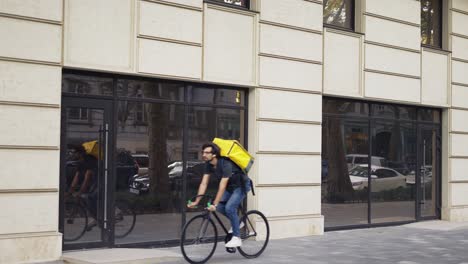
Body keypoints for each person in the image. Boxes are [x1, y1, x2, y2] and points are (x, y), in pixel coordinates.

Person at [188, 143, 251, 248]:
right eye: (203, 152)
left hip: (241, 186)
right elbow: (204, 183)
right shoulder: (208, 165)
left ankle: (237, 238)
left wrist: (215, 204)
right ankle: (238, 222)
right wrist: (197, 201)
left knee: (229, 207)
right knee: (221, 207)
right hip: (230, 187)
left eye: (207, 152)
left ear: (214, 155)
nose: (203, 154)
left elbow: (222, 186)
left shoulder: (225, 164)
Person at [66, 144, 99, 229]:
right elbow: (76, 178)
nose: (72, 154)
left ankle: (100, 217)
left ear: (79, 153)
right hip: (92, 181)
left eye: (74, 152)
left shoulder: (90, 161)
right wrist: (70, 191)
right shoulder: (80, 162)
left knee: (91, 197)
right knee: (82, 197)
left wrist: (80, 191)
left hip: (100, 180)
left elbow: (87, 178)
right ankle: (72, 216)